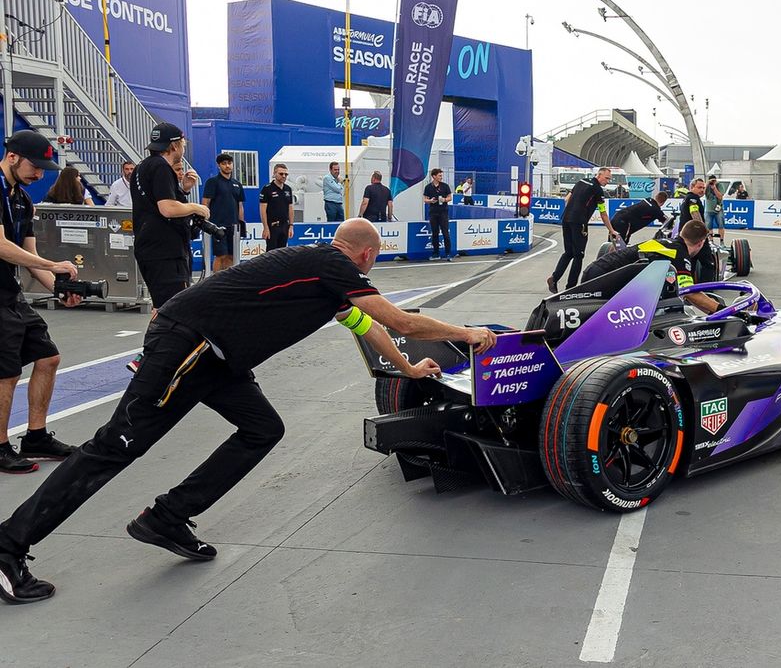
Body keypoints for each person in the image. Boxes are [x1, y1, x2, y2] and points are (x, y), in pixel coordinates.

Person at [0, 218, 498, 604]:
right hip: (189, 347)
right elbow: (397, 318)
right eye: (371, 263)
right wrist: (466, 333)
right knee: (114, 448)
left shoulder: (325, 281)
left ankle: (167, 516)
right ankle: (8, 547)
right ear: (366, 255)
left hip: (218, 359)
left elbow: (368, 326)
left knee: (262, 428)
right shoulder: (333, 265)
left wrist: (407, 370)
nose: (367, 271)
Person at [0, 131, 82, 475]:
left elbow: (30, 256)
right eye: (36, 166)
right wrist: (54, 266)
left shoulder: (22, 200)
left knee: (48, 357)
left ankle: (35, 436)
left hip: (8, 292)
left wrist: (59, 288)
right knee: (5, 372)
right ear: (13, 157)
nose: (40, 175)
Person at [127, 124, 208, 374]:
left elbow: (156, 203)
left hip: (150, 246)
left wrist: (181, 190)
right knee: (173, 306)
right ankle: (149, 355)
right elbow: (167, 208)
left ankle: (156, 354)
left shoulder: (142, 168)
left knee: (164, 304)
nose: (183, 149)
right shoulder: (161, 167)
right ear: (175, 145)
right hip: (164, 249)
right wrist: (196, 208)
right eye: (182, 144)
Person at [581, 219, 721, 315]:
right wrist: (722, 310)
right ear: (701, 243)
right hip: (604, 278)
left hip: (595, 270)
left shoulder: (665, 243)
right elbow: (689, 292)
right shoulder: (680, 254)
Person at [547, 167, 620, 292]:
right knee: (579, 255)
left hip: (566, 219)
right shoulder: (597, 190)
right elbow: (603, 213)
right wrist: (611, 230)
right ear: (599, 175)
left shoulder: (581, 182)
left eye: (609, 179)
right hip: (579, 222)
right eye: (606, 178)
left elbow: (567, 199)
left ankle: (554, 278)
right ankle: (571, 287)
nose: (607, 181)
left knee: (568, 252)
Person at [201, 153, 245, 272]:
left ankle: (229, 283)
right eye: (224, 163)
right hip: (218, 226)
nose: (227, 166)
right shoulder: (213, 182)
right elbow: (205, 202)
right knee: (220, 256)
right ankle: (215, 283)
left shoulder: (237, 184)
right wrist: (205, 222)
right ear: (219, 165)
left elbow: (240, 205)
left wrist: (241, 223)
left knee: (232, 256)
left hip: (234, 226)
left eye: (229, 163)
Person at [679, 177, 717, 283]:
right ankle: (706, 289)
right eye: (699, 187)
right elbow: (694, 213)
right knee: (708, 264)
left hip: (685, 237)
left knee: (690, 263)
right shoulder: (693, 199)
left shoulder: (687, 198)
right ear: (692, 187)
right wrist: (703, 230)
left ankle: (690, 288)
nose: (702, 190)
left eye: (704, 188)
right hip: (696, 236)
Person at [259, 164, 294, 252]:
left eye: (286, 174)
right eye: (281, 174)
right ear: (274, 174)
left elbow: (290, 208)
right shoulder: (267, 189)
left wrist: (291, 226)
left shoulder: (288, 189)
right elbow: (263, 210)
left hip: (285, 226)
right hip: (273, 226)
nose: (284, 176)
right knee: (271, 254)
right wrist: (265, 228)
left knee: (282, 253)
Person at [422, 168, 453, 261]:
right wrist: (430, 201)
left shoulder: (445, 186)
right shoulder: (428, 187)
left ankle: (448, 254)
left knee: (445, 233)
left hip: (443, 212)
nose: (441, 177)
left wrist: (444, 200)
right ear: (434, 176)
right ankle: (436, 254)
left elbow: (450, 197)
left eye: (441, 175)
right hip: (433, 212)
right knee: (434, 233)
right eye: (439, 175)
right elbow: (425, 199)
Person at [703, 176, 725, 245]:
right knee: (709, 227)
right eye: (711, 181)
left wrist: (714, 188)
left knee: (721, 225)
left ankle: (721, 241)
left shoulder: (719, 185)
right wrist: (707, 184)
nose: (712, 182)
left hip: (718, 210)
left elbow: (720, 196)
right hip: (708, 210)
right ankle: (711, 241)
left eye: (713, 181)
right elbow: (703, 193)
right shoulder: (707, 186)